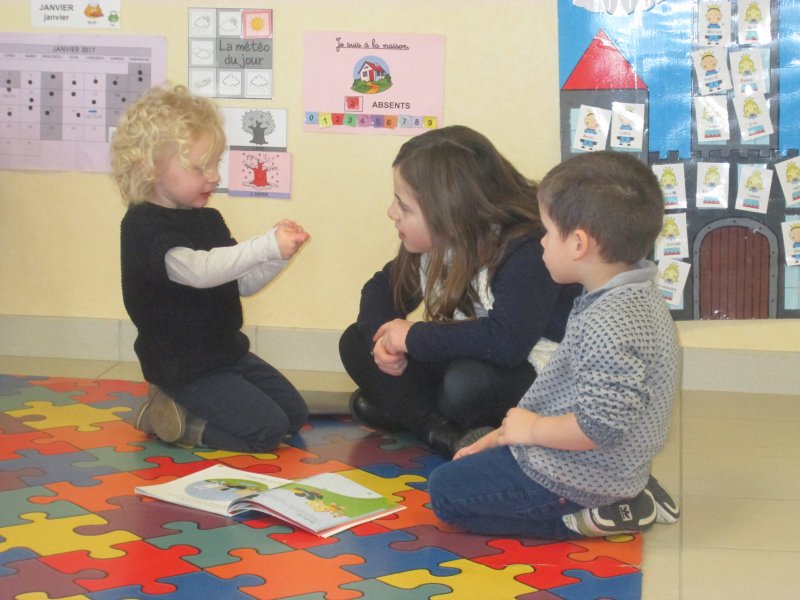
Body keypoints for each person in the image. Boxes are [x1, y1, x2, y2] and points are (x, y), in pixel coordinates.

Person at [427, 150, 680, 539]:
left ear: (578, 244)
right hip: (602, 463)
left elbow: (598, 427)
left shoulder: (612, 322)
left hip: (583, 474)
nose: (542, 243)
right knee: (469, 464)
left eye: (546, 232)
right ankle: (628, 490)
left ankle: (596, 513)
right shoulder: (631, 293)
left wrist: (531, 431)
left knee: (446, 493)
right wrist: (503, 436)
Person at [338, 126, 580, 458]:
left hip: (536, 366)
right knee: (355, 341)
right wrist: (384, 341)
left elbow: (506, 343)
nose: (391, 212)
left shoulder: (526, 249)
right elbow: (383, 288)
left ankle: (409, 409)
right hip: (478, 351)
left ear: (449, 214)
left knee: (464, 387)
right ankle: (443, 434)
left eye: (404, 206)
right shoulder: (437, 240)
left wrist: (412, 338)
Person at [112, 84, 310, 453]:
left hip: (225, 354)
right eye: (199, 167)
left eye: (216, 163)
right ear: (150, 167)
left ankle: (178, 409)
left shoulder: (209, 219)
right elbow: (198, 272)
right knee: (267, 432)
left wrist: (276, 256)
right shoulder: (142, 225)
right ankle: (177, 422)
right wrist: (264, 245)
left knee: (294, 414)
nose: (215, 176)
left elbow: (241, 282)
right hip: (183, 368)